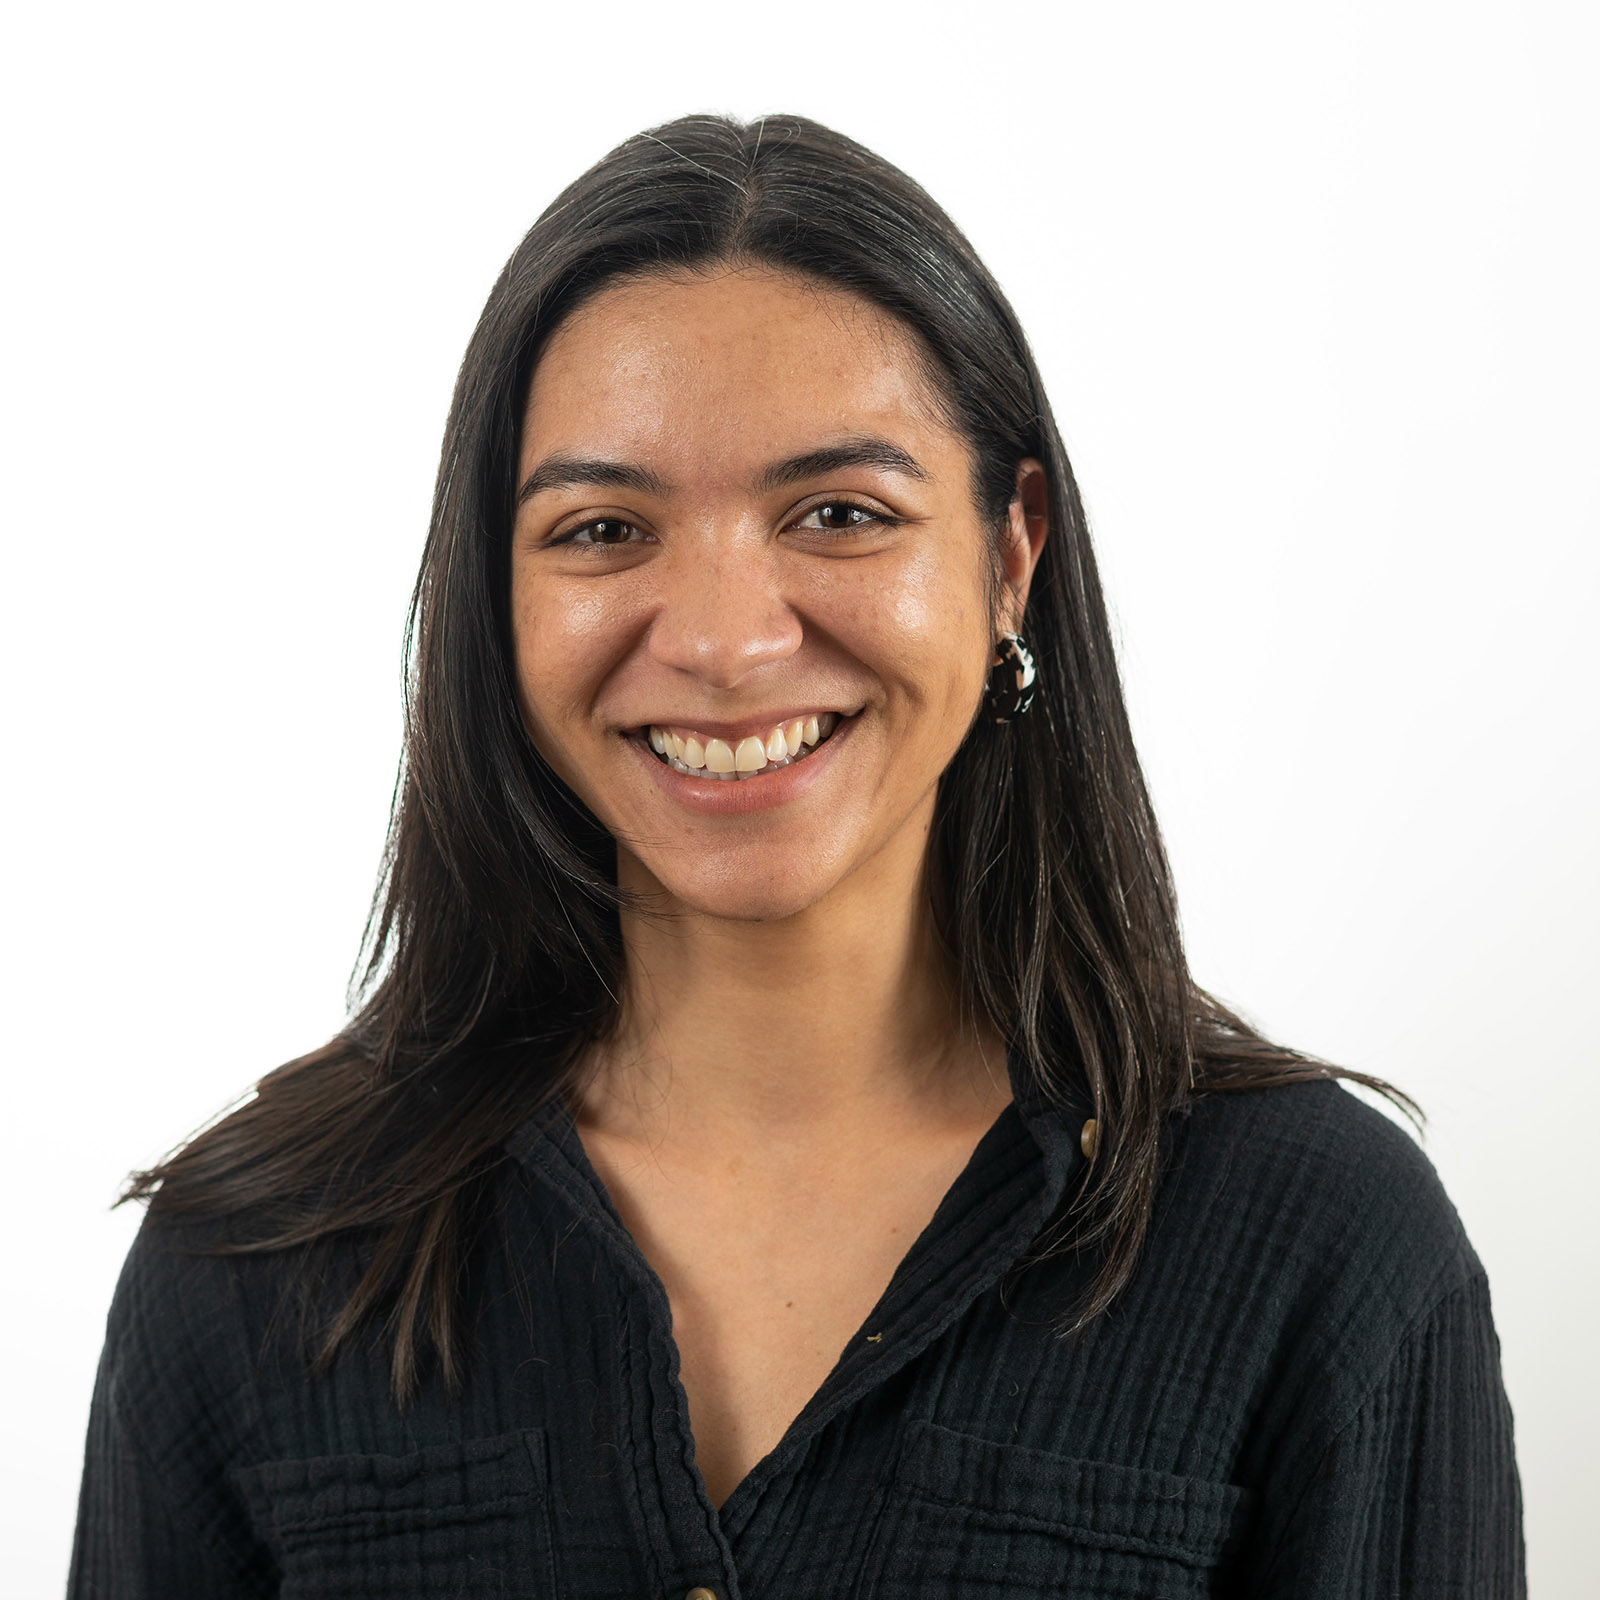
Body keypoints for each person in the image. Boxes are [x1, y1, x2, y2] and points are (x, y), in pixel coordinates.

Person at [69, 113, 1524, 1598]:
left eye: (839, 514)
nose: (721, 642)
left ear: (1010, 555)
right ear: (494, 594)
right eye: (603, 529)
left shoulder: (1322, 1247)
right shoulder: (250, 1263)